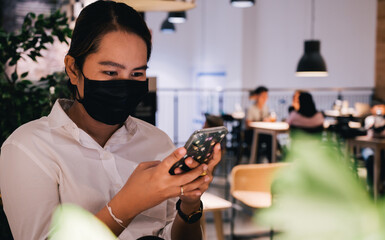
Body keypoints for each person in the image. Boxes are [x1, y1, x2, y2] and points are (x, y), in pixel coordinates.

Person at [0, 1, 221, 240]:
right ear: (73, 69)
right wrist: (127, 205)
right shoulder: (28, 147)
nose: (124, 84)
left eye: (137, 74)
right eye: (111, 72)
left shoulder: (157, 142)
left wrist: (189, 205)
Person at [245, 86, 273, 163]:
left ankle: (272, 161)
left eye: (266, 96)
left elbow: (268, 118)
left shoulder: (265, 107)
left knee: (271, 138)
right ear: (257, 96)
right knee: (267, 138)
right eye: (263, 96)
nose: (265, 98)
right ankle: (255, 161)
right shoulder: (251, 108)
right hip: (251, 133)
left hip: (263, 132)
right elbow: (248, 124)